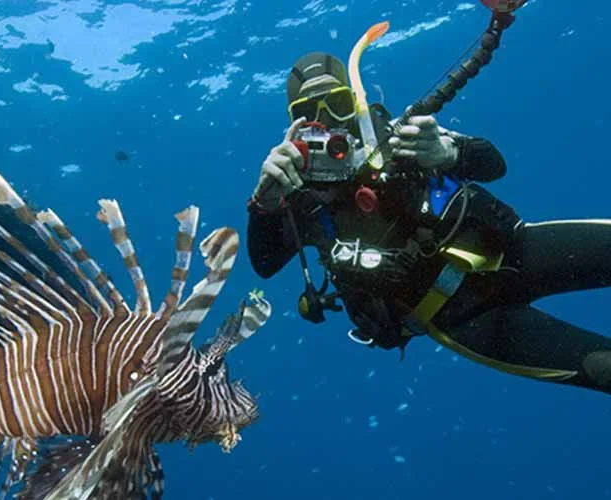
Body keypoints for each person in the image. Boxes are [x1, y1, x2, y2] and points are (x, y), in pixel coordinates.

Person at [246, 52, 611, 395]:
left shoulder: (401, 137)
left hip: (515, 248)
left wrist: (449, 152)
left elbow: (494, 165)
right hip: (461, 317)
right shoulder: (298, 195)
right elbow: (265, 264)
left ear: (355, 101)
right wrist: (264, 204)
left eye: (338, 104)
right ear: (294, 123)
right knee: (603, 367)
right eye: (310, 112)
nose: (328, 121)